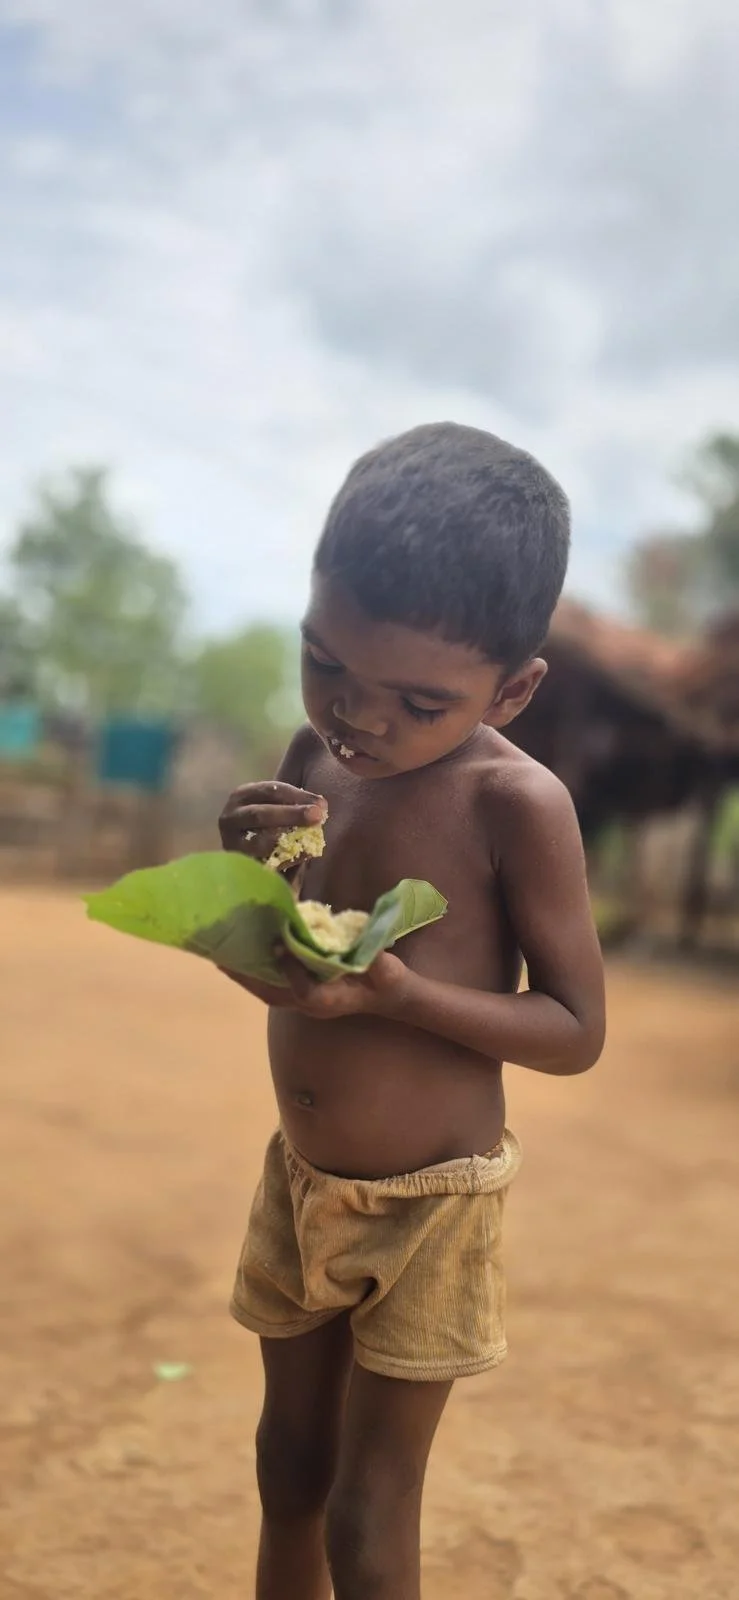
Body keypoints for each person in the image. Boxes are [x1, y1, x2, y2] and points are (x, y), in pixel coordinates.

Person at [219, 422, 606, 1600]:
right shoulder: (314, 763)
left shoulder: (514, 806)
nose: (357, 717)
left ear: (515, 687)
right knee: (286, 1461)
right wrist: (239, 892)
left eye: (417, 699)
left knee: (368, 1512)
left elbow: (576, 1029)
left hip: (432, 1205)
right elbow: (279, 970)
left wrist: (405, 991)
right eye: (325, 662)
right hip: (303, 1181)